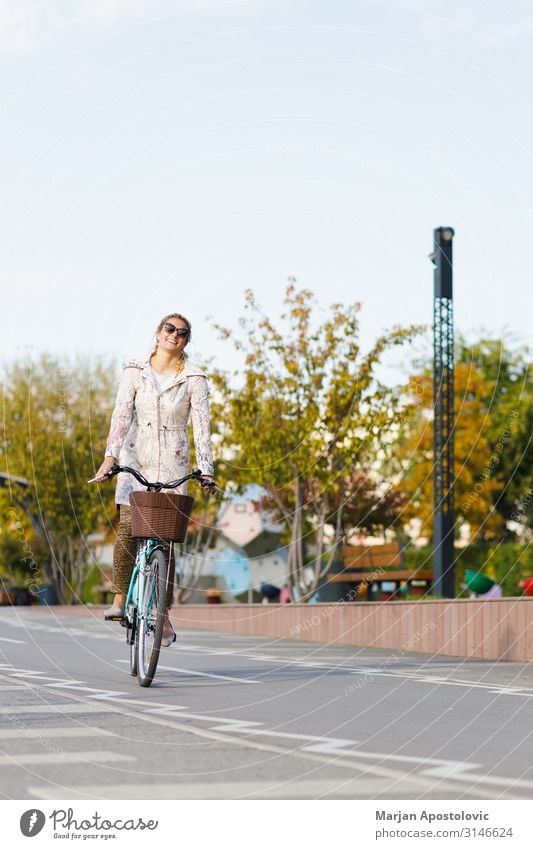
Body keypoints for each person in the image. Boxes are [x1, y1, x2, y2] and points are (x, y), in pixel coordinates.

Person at [95, 312, 215, 646]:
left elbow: (202, 428)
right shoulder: (135, 371)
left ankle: (162, 615)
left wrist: (207, 469)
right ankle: (120, 598)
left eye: (182, 332)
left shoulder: (195, 378)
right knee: (128, 528)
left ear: (186, 341)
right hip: (136, 458)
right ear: (158, 333)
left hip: (174, 466)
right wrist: (110, 458)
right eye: (169, 328)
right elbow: (121, 415)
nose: (174, 335)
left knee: (166, 543)